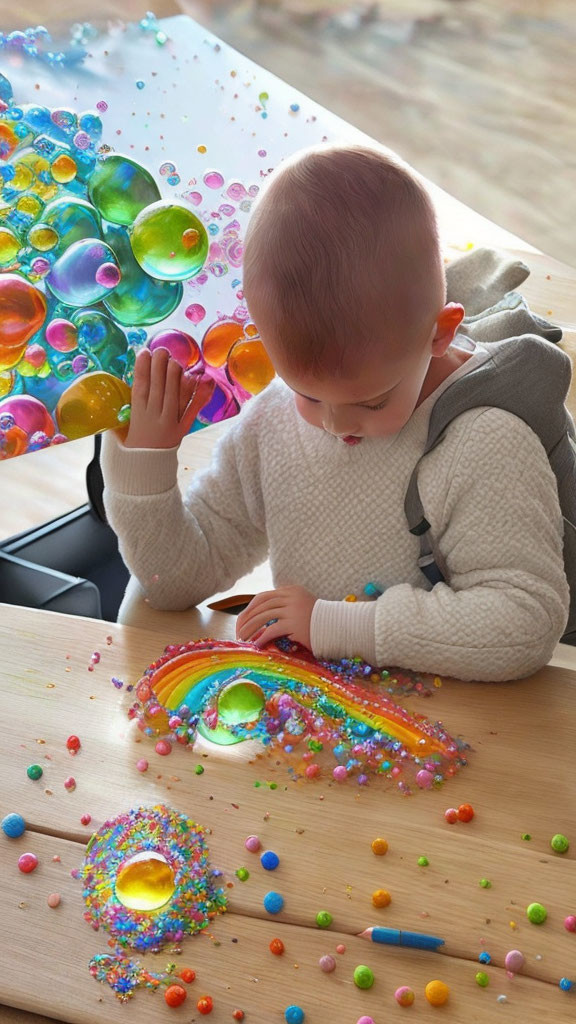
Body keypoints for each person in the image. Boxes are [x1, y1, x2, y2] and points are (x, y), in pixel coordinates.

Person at [102, 143, 569, 681]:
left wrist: (339, 627)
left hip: (460, 736)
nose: (336, 426)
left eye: (370, 402)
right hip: (323, 729)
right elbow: (173, 583)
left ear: (439, 332)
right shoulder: (273, 423)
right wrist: (145, 465)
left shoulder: (487, 441)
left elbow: (525, 623)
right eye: (308, 393)